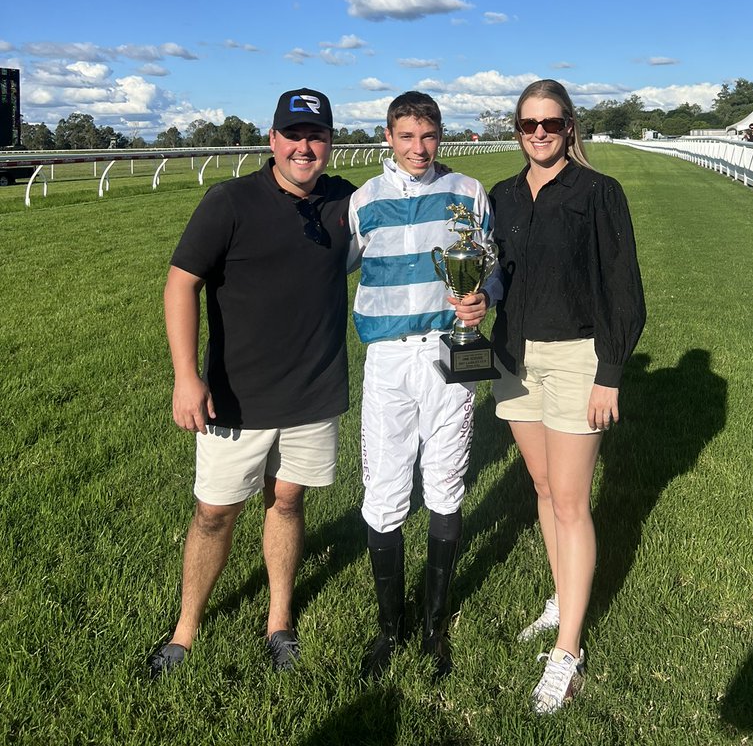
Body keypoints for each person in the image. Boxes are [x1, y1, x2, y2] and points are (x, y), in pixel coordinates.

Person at [149, 89, 354, 678]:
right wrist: (185, 376)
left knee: (287, 501)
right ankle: (185, 631)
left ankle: (279, 621)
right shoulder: (230, 202)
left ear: (329, 143)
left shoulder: (344, 201)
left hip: (313, 393)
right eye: (293, 134)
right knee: (215, 512)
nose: (304, 147)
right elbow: (180, 284)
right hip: (235, 396)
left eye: (315, 136)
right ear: (272, 140)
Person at [489, 79, 645, 715]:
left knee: (573, 501)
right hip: (513, 358)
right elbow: (494, 272)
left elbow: (624, 289)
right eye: (528, 124)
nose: (540, 134)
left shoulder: (600, 193)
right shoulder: (499, 196)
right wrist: (476, 298)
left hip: (578, 358)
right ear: (517, 129)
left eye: (551, 123)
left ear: (570, 126)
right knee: (544, 489)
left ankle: (569, 649)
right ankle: (562, 595)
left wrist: (610, 370)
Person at [348, 91, 500, 681]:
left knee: (445, 484)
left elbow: (492, 263)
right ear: (388, 136)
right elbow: (330, 269)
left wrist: (486, 298)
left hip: (449, 357)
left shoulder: (467, 192)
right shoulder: (364, 202)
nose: (419, 148)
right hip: (388, 361)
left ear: (441, 135)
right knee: (384, 492)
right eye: (407, 136)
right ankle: (390, 629)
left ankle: (434, 626)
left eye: (428, 135)